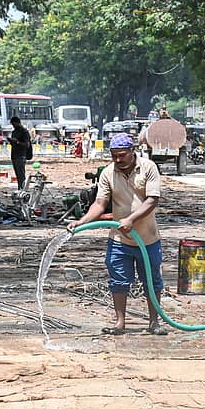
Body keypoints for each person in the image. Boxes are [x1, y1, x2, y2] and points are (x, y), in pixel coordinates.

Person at [66, 133, 166, 336]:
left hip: (147, 238)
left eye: (122, 155)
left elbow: (152, 200)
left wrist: (131, 220)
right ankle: (120, 323)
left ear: (132, 151)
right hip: (119, 239)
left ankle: (154, 322)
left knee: (152, 280)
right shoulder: (108, 173)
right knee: (118, 281)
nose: (118, 160)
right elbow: (100, 203)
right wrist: (82, 221)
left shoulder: (149, 168)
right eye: (114, 156)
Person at [8, 116, 32, 189]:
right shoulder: (14, 132)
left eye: (14, 124)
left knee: (21, 175)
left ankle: (23, 190)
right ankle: (20, 188)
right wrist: (11, 141)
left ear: (17, 123)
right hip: (14, 155)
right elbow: (13, 143)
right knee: (18, 175)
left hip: (21, 155)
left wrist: (17, 142)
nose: (13, 126)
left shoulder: (24, 132)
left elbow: (27, 144)